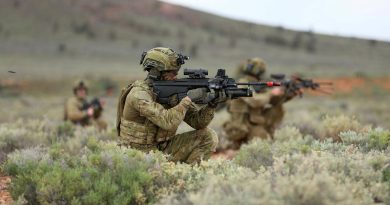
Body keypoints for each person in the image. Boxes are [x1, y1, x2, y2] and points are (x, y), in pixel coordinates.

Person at [116, 47, 223, 164]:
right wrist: (189, 98)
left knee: (208, 136)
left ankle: (188, 176)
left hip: (162, 149)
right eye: (172, 73)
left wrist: (212, 104)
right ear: (157, 72)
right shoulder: (138, 95)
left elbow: (197, 122)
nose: (175, 77)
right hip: (137, 155)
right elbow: (167, 121)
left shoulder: (171, 93)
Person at [221, 58, 298, 150]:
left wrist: (287, 94)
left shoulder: (259, 85)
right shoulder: (242, 84)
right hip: (241, 127)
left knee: (277, 108)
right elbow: (254, 101)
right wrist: (271, 93)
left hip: (254, 124)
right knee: (261, 145)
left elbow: (273, 102)